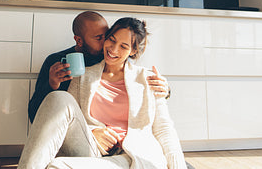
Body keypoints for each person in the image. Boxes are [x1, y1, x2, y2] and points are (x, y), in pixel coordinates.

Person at [18, 17, 187, 169]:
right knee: (58, 96)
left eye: (123, 46)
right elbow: (68, 120)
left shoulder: (147, 79)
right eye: (110, 40)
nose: (113, 49)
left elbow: (164, 128)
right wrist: (92, 131)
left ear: (133, 51)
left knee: (57, 166)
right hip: (91, 148)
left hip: (131, 156)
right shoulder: (81, 74)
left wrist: (178, 165)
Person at [28, 11, 170, 123]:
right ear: (79, 40)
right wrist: (52, 84)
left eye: (107, 35)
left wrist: (165, 90)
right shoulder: (55, 62)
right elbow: (35, 115)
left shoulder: (110, 59)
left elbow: (136, 80)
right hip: (63, 126)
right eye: (99, 38)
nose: (108, 44)